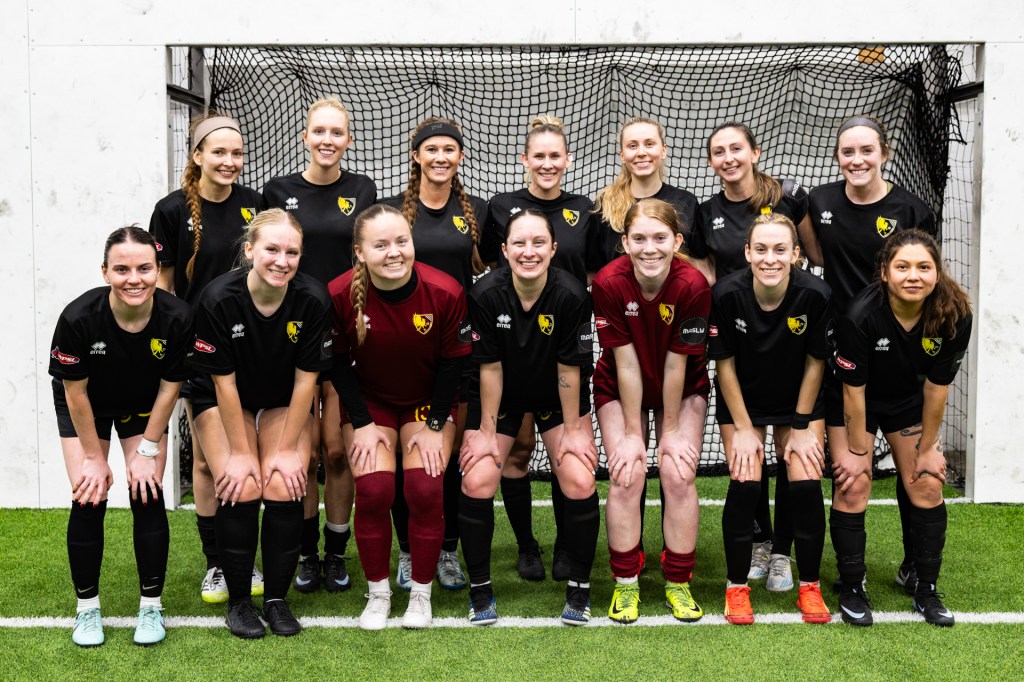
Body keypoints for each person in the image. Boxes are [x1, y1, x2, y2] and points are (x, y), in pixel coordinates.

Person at [799, 115, 938, 598]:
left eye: (866, 150)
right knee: (851, 478)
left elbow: (924, 273)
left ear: (884, 153)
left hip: (899, 356)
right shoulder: (820, 201)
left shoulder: (912, 208)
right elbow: (817, 258)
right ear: (838, 157)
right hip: (845, 352)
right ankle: (850, 576)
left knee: (915, 471)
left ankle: (915, 565)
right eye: (847, 152)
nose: (856, 160)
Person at [190, 208, 333, 639]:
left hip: (281, 399)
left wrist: (286, 450)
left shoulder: (312, 299)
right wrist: (238, 453)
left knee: (284, 482)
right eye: (272, 249)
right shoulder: (218, 298)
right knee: (244, 482)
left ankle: (275, 599)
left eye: (292, 252)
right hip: (221, 396)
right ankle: (239, 602)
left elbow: (306, 382)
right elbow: (224, 384)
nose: (282, 261)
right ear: (250, 250)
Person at [328, 204, 472, 630]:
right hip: (369, 404)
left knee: (425, 489)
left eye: (401, 241)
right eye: (381, 245)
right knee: (373, 490)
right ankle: (378, 595)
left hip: (427, 403)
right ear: (360, 252)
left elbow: (453, 365)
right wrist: (361, 423)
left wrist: (435, 426)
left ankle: (420, 596)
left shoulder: (445, 291)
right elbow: (337, 365)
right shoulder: (339, 294)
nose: (394, 252)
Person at [49, 226, 192, 647]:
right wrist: (94, 459)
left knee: (146, 492)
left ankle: (151, 607)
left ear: (157, 269)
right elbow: (75, 394)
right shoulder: (78, 318)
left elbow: (169, 389)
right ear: (105, 272)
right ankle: (87, 609)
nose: (135, 279)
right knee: (88, 494)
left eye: (144, 268)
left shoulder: (178, 317)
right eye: (122, 269)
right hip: (87, 404)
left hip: (144, 404)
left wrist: (147, 450)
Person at [459, 210, 599, 626]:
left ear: (553, 249)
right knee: (477, 478)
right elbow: (489, 368)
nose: (529, 251)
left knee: (579, 477)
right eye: (519, 243)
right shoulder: (485, 294)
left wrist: (573, 430)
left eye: (539, 242)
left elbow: (569, 369)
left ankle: (579, 590)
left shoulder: (572, 294)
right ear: (504, 250)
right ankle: (480, 591)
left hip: (556, 395)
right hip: (501, 395)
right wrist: (486, 432)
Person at [690, 121, 812, 590]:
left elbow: (811, 255)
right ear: (711, 161)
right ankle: (759, 542)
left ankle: (783, 552)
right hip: (738, 339)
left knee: (790, 452)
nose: (729, 158)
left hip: (787, 336)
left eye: (736, 148)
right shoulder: (707, 213)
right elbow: (705, 273)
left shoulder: (786, 199)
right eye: (719, 152)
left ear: (755, 152)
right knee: (749, 454)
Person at [263, 96, 377, 595]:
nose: (327, 140)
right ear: (305, 136)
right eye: (319, 131)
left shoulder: (363, 189)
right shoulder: (279, 190)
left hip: (346, 332)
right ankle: (305, 554)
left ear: (347, 140)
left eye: (337, 132)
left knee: (336, 453)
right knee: (304, 452)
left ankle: (335, 552)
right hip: (295, 334)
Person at [480, 116, 602, 582]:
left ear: (566, 160)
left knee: (564, 454)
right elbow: (489, 267)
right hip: (513, 345)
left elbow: (591, 273)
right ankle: (527, 546)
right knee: (518, 450)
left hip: (564, 345)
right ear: (525, 159)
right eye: (539, 156)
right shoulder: (501, 207)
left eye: (555, 156)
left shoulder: (583, 209)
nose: (547, 163)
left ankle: (567, 547)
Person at [149, 112, 265, 603]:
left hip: (251, 347)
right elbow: (164, 289)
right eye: (219, 152)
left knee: (249, 454)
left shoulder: (255, 204)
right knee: (205, 462)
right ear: (197, 156)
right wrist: (174, 352)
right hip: (199, 351)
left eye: (237, 153)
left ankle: (247, 554)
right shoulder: (171, 210)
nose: (229, 161)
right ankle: (218, 562)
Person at [831, 228, 971, 627]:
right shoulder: (859, 315)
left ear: (937, 272)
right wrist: (858, 453)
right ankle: (852, 586)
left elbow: (937, 388)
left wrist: (927, 449)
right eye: (903, 267)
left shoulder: (955, 314)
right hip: (854, 399)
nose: (913, 276)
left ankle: (924, 587)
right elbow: (853, 392)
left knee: (927, 483)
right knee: (853, 483)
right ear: (885, 272)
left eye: (924, 267)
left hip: (907, 401)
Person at [381, 116, 488, 592]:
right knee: (405, 460)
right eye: (431, 149)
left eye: (449, 149)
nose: (440, 157)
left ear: (459, 156)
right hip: (404, 350)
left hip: (457, 350)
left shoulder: (478, 211)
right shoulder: (392, 212)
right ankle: (408, 552)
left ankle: (447, 551)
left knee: (448, 457)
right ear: (416, 156)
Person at [708, 214, 832, 625]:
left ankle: (808, 585)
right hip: (744, 399)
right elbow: (724, 366)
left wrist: (800, 425)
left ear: (796, 254)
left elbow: (816, 362)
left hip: (798, 398)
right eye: (760, 249)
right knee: (745, 479)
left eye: (780, 249)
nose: (770, 258)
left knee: (806, 478)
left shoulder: (815, 294)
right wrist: (745, 429)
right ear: (747, 253)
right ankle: (736, 588)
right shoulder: (726, 294)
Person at [592, 198, 710, 624]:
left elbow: (677, 365)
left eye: (660, 238)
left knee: (678, 473)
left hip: (683, 385)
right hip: (619, 384)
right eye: (639, 238)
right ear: (624, 243)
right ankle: (626, 583)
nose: (649, 248)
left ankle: (678, 582)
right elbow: (625, 364)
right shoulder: (607, 282)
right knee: (628, 473)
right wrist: (631, 435)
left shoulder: (694, 285)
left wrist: (672, 430)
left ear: (676, 241)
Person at [592, 116, 699, 268]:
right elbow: (595, 269)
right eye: (632, 146)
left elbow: (696, 264)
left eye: (649, 144)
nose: (641, 152)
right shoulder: (605, 204)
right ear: (622, 155)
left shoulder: (687, 202)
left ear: (663, 151)